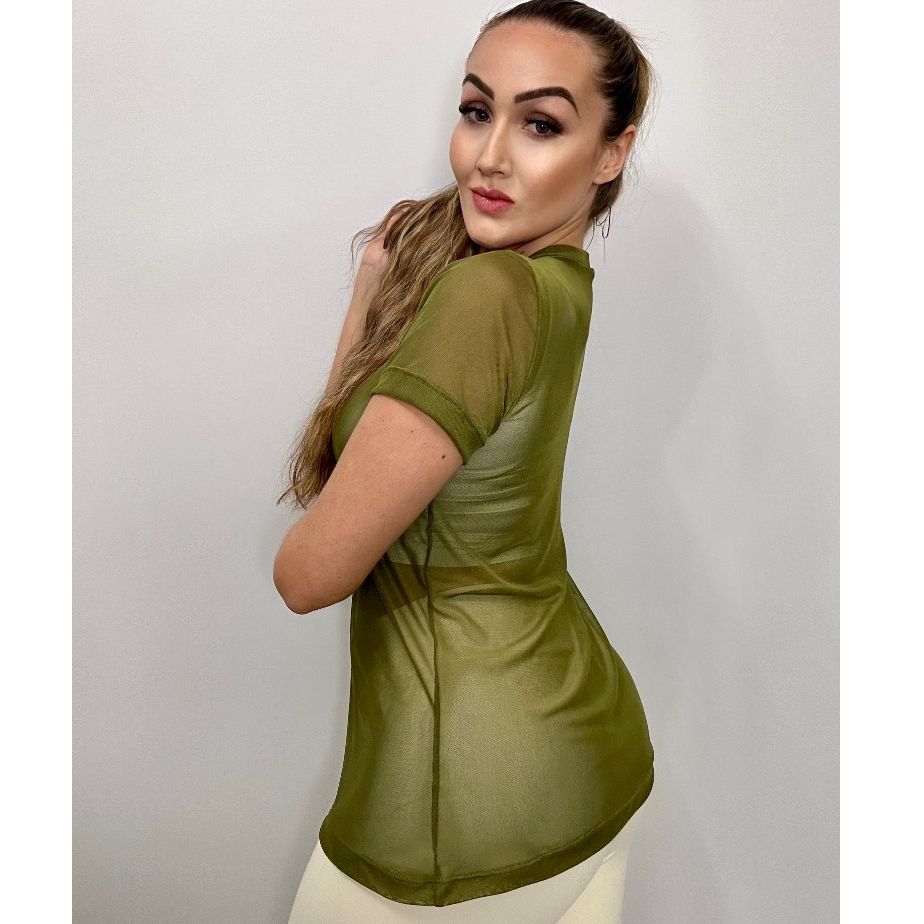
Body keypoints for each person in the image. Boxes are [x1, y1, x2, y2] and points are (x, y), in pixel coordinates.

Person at [273, 1, 658, 921]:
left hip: (465, 814)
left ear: (612, 153)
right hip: (590, 760)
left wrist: (365, 308)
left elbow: (307, 574)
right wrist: (374, 294)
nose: (490, 155)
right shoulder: (561, 286)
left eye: (542, 124)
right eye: (478, 111)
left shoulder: (487, 296)